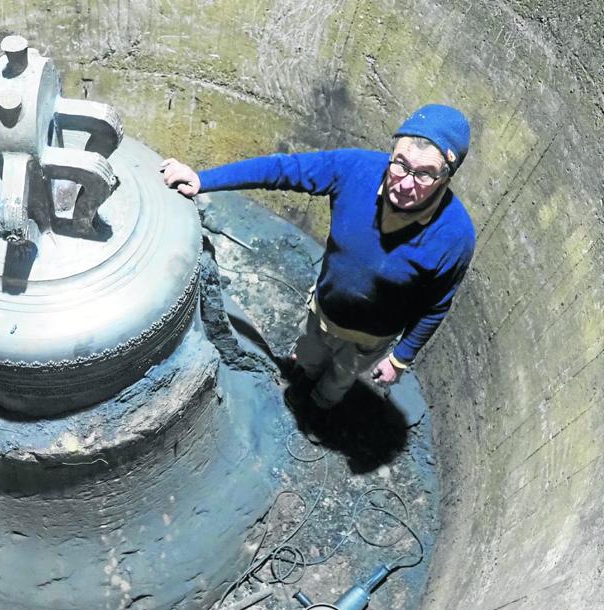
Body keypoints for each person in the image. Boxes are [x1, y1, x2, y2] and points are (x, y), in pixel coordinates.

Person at [161, 104, 475, 419]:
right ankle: (301, 386)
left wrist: (399, 359)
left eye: (424, 174)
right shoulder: (357, 169)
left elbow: (435, 306)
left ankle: (322, 406)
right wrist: (203, 179)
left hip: (369, 340)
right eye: (400, 164)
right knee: (308, 355)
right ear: (392, 153)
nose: (405, 184)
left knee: (340, 377)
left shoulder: (455, 236)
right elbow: (283, 170)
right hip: (324, 310)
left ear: (445, 177)